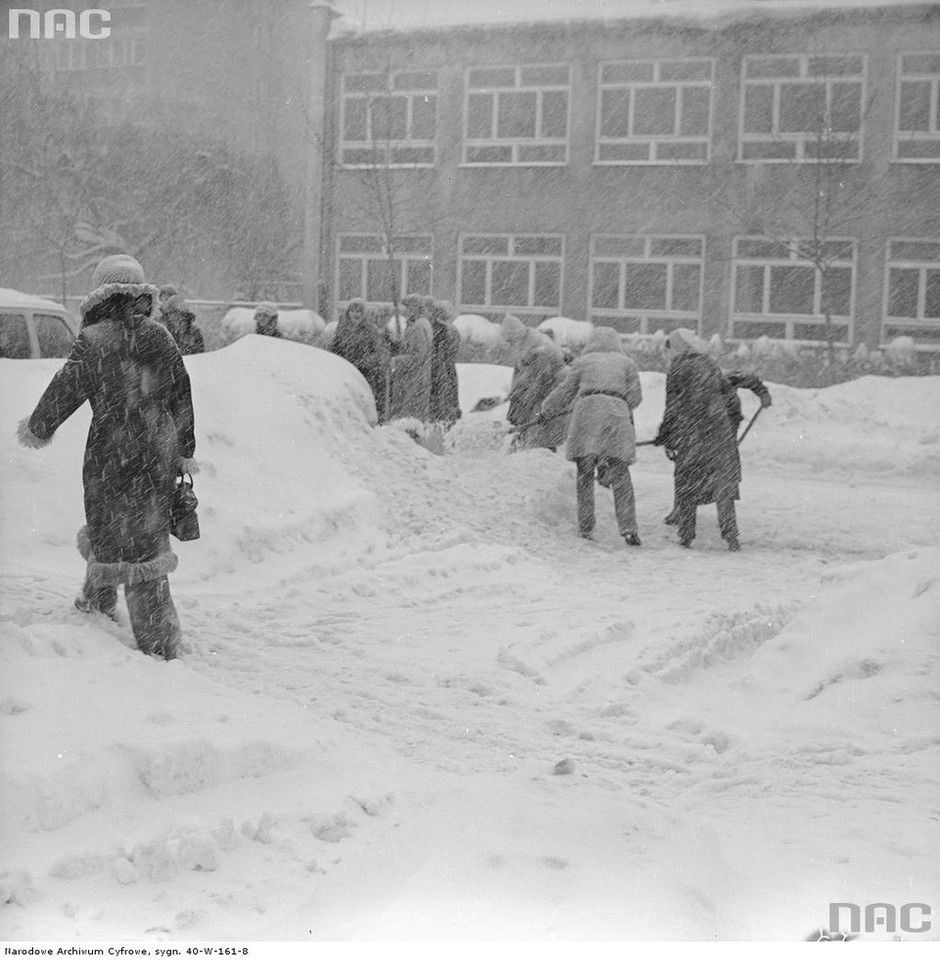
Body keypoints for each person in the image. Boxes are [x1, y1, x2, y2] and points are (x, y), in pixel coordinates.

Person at [17, 254, 196, 660]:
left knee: (109, 523)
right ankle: (111, 610)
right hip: (157, 450)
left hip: (110, 450)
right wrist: (184, 450)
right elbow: (181, 397)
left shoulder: (94, 339)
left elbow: (66, 387)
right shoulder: (161, 338)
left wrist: (40, 425)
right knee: (146, 536)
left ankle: (156, 642)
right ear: (140, 293)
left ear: (99, 295)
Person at [540, 326, 643, 546]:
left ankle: (586, 526)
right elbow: (635, 397)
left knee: (585, 473)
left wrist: (546, 410)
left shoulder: (583, 362)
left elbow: (565, 392)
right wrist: (617, 402)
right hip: (617, 415)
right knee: (620, 473)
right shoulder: (627, 364)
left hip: (587, 414)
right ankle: (628, 528)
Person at [653, 328, 745, 551]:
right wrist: (730, 422)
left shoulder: (678, 369)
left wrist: (665, 434)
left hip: (692, 433)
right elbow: (730, 397)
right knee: (723, 486)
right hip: (718, 432)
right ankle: (731, 536)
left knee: (687, 483)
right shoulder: (709, 364)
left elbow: (673, 406)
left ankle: (686, 535)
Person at [663, 367, 772, 524]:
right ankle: (685, 507)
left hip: (725, 421)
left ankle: (689, 508)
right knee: (696, 465)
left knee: (693, 466)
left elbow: (745, 377)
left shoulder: (719, 378)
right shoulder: (686, 390)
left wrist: (763, 393)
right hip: (712, 423)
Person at [501, 314, 567, 451]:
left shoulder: (538, 349)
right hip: (545, 387)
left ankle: (544, 451)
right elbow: (522, 378)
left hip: (552, 389)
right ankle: (527, 447)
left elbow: (538, 383)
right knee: (534, 420)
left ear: (517, 336)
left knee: (541, 421)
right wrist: (515, 395)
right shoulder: (525, 347)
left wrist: (524, 402)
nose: (510, 345)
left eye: (511, 342)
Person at [330, 298, 390, 422]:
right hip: (345, 372)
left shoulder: (371, 330)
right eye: (353, 311)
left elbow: (378, 353)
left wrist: (363, 362)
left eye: (359, 311)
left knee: (363, 402)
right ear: (348, 312)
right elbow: (334, 349)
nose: (356, 314)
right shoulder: (341, 329)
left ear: (364, 314)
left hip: (366, 373)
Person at [389, 293, 433, 421]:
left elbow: (418, 355)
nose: (404, 311)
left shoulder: (418, 328)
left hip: (414, 380)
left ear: (415, 308)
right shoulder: (415, 325)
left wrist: (396, 360)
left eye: (407, 307)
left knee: (410, 417)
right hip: (415, 378)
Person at [428, 299, 462, 427]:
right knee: (448, 396)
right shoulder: (453, 329)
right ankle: (448, 419)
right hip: (448, 367)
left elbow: (441, 351)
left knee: (441, 397)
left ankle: (442, 422)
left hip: (441, 368)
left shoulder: (442, 329)